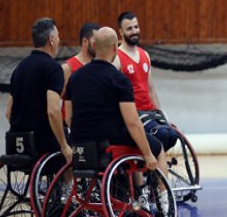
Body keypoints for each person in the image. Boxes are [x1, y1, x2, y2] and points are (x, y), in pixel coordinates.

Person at [64, 27, 168, 177]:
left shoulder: (75, 77)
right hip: (108, 142)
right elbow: (132, 122)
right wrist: (147, 153)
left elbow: (68, 118)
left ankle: (136, 190)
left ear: (94, 46)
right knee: (157, 149)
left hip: (80, 140)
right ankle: (165, 200)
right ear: (115, 48)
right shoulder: (119, 80)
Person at [6, 18, 72, 163]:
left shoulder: (19, 69)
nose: (59, 40)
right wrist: (64, 145)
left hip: (16, 141)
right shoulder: (53, 69)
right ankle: (67, 184)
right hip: (42, 144)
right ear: (51, 40)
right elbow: (53, 111)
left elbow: (8, 112)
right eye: (58, 36)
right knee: (72, 140)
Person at [114, 11, 178, 151]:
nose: (134, 31)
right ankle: (151, 165)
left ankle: (152, 167)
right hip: (134, 115)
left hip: (150, 113)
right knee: (161, 135)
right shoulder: (117, 58)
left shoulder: (145, 55)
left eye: (136, 27)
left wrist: (161, 113)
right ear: (121, 32)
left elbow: (150, 89)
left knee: (172, 135)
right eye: (129, 28)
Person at [61, 22, 100, 97]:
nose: (100, 45)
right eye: (96, 41)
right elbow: (58, 99)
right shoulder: (67, 68)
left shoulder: (102, 65)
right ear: (85, 41)